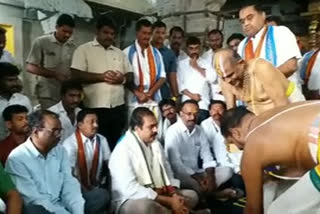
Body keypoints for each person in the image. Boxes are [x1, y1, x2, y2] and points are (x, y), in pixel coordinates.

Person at [220, 101, 320, 214]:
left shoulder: (252, 145)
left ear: (236, 133)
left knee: (278, 210)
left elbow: (253, 209)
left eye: (233, 143)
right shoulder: (272, 116)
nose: (239, 149)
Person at [109, 107, 204, 214]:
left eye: (156, 125)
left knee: (191, 196)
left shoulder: (156, 144)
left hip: (161, 193)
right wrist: (169, 201)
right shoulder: (123, 150)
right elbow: (130, 189)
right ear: (137, 128)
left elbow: (168, 173)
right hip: (131, 199)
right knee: (145, 208)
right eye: (151, 127)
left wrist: (174, 195)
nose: (155, 130)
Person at [71, 15, 133, 151]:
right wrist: (101, 77)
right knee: (95, 146)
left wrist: (121, 79)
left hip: (117, 108)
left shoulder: (120, 53)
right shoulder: (83, 50)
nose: (109, 36)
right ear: (97, 31)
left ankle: (112, 171)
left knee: (116, 143)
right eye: (105, 32)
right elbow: (75, 75)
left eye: (112, 34)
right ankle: (96, 171)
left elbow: (130, 75)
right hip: (94, 108)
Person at [5, 110, 85, 214]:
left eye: (60, 130)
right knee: (34, 210)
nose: (59, 135)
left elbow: (69, 184)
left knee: (98, 196)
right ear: (36, 131)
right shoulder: (17, 158)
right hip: (40, 208)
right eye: (54, 131)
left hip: (61, 204)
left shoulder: (60, 151)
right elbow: (33, 199)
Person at [165, 100, 234, 200]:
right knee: (194, 184)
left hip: (197, 172)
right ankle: (213, 195)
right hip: (181, 174)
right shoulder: (173, 131)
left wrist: (210, 178)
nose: (192, 118)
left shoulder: (199, 130)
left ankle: (207, 194)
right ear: (181, 114)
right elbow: (176, 164)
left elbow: (207, 156)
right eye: (188, 114)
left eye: (195, 114)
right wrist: (199, 178)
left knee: (227, 171)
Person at [214, 48, 305, 115]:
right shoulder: (225, 80)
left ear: (241, 64)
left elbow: (282, 105)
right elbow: (231, 114)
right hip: (261, 118)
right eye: (223, 77)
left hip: (291, 108)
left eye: (230, 75)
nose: (228, 80)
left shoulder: (261, 68)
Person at [237, 3, 302, 90]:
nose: (246, 23)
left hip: (287, 96)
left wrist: (261, 81)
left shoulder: (280, 32)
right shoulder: (242, 45)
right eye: (242, 21)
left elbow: (291, 66)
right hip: (258, 99)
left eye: (250, 18)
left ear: (263, 15)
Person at [62, 109, 111, 214]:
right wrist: (83, 190)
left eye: (97, 121)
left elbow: (110, 165)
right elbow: (68, 174)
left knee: (105, 195)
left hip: (95, 187)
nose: (96, 125)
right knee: (102, 196)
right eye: (91, 122)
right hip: (75, 190)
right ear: (80, 125)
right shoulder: (69, 144)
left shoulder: (101, 139)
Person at [26, 14, 76, 109]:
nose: (67, 35)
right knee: (50, 120)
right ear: (56, 27)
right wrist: (55, 74)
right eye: (64, 31)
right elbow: (30, 67)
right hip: (47, 93)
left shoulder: (73, 47)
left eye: (70, 32)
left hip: (66, 93)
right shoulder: (41, 42)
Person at [123, 19, 166, 120]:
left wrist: (150, 92)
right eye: (144, 33)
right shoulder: (127, 52)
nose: (147, 37)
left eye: (149, 33)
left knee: (154, 131)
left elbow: (162, 77)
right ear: (137, 33)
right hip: (134, 101)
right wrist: (138, 94)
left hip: (153, 100)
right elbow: (124, 78)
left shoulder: (156, 53)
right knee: (137, 132)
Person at [177, 36, 217, 123]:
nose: (194, 51)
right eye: (191, 48)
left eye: (196, 48)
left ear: (200, 49)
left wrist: (197, 67)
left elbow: (212, 79)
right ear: (187, 49)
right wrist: (192, 96)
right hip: (187, 104)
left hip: (203, 104)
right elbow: (180, 84)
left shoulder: (206, 63)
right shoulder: (181, 64)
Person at [201, 100, 241, 173]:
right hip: (215, 152)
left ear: (225, 111)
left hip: (232, 151)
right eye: (214, 110)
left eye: (220, 110)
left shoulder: (231, 123)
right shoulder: (205, 124)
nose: (217, 112)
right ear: (209, 112)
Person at [0, 62, 32, 140]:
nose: (15, 83)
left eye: (16, 79)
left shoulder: (23, 100)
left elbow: (30, 124)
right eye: (10, 80)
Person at [151, 21, 179, 100]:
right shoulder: (145, 50)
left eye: (163, 33)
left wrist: (175, 97)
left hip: (163, 93)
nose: (160, 35)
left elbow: (172, 76)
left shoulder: (169, 54)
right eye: (157, 32)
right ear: (151, 33)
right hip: (146, 92)